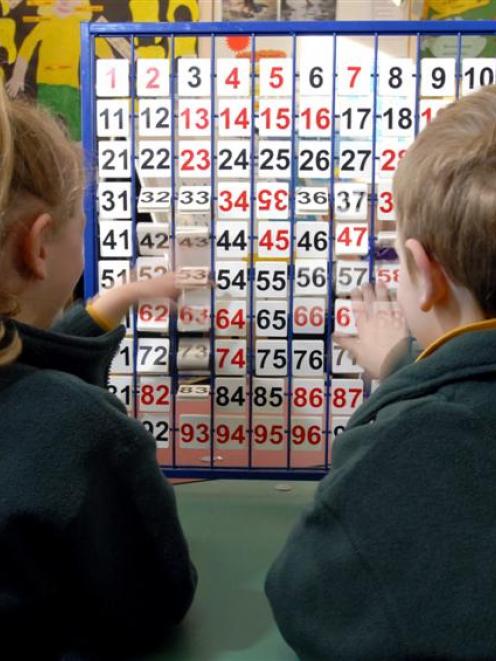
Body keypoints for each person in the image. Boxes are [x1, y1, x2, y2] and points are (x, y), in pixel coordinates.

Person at [266, 85, 496, 659]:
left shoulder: (407, 445)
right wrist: (405, 365)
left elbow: (304, 593)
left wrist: (395, 395)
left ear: (423, 272)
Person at [0, 85, 198, 658]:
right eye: (79, 224)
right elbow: (158, 596)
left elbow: (32, 353)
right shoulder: (83, 428)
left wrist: (126, 294)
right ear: (38, 246)